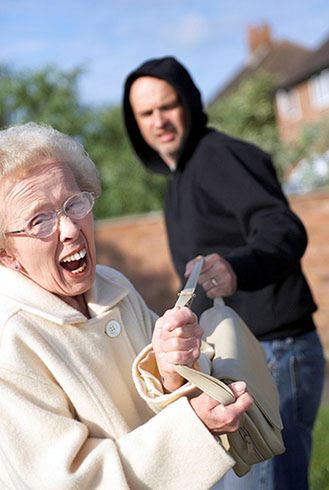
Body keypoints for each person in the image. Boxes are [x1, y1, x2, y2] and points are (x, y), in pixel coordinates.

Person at [0, 122, 253, 490]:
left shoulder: (112, 284)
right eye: (40, 220)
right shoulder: (10, 339)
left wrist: (172, 370)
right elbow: (68, 481)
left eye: (74, 203)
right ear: (7, 255)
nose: (70, 229)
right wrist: (192, 429)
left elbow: (160, 396)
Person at [123, 56, 326, 490]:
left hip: (275, 351)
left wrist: (237, 267)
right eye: (146, 112)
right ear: (135, 121)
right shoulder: (180, 178)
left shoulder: (220, 157)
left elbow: (283, 229)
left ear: (190, 103)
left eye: (168, 105)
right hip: (240, 356)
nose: (159, 120)